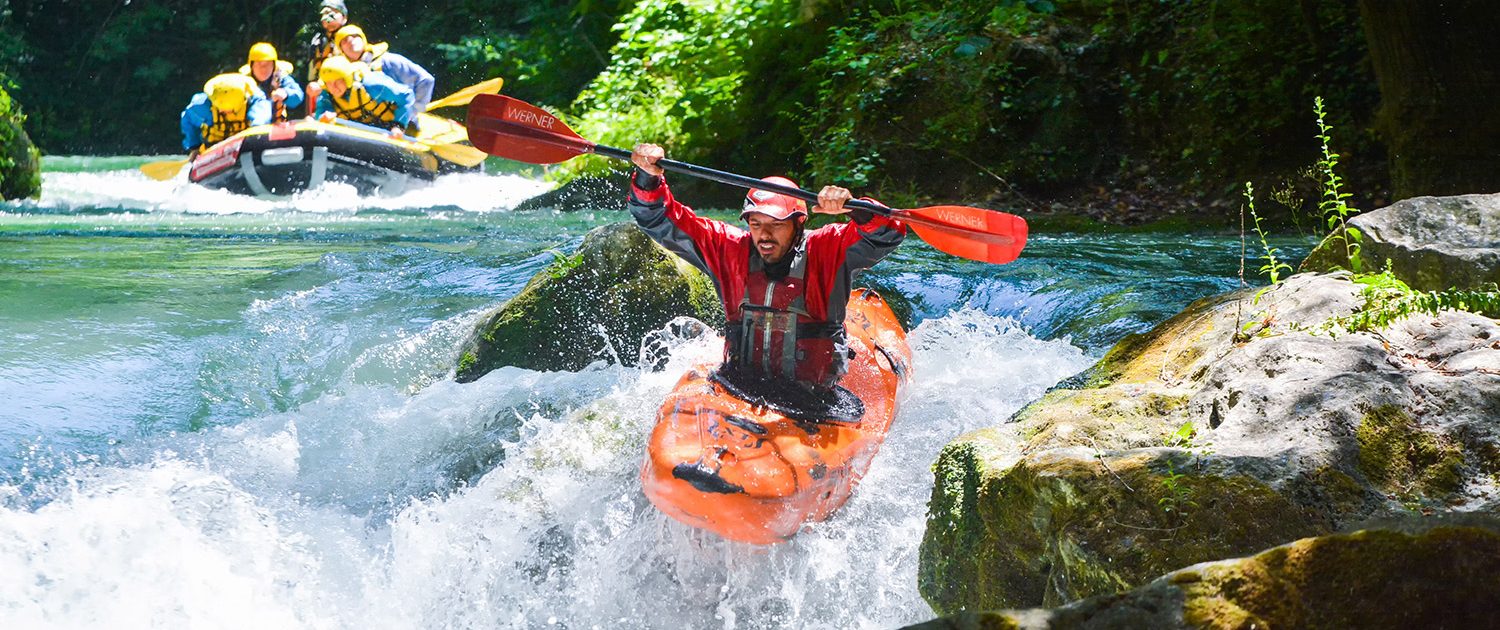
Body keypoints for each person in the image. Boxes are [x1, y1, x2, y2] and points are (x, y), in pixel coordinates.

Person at [627, 143, 907, 392]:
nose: (764, 235)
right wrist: (648, 177)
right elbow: (657, 218)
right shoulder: (729, 249)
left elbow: (887, 234)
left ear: (799, 224)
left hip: (815, 396)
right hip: (739, 387)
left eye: (776, 224)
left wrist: (857, 209)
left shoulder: (826, 249)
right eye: (756, 223)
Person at [332, 24, 435, 114]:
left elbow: (425, 80)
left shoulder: (389, 61)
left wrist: (413, 111)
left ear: (363, 40)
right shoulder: (343, 73)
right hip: (366, 123)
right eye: (344, 41)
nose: (350, 41)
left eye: (354, 36)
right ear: (342, 51)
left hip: (398, 123)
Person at [313, 56, 414, 138]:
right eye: (329, 83)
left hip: (389, 128)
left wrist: (398, 126)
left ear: (347, 78)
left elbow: (407, 95)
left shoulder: (371, 84)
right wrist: (323, 118)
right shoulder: (326, 95)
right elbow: (321, 114)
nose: (333, 87)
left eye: (337, 81)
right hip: (361, 135)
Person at [180, 73, 271, 155]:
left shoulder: (256, 102)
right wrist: (194, 147)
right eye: (220, 108)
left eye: (228, 110)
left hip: (247, 146)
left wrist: (255, 137)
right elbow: (188, 120)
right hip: (212, 148)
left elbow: (260, 122)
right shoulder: (202, 106)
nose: (221, 111)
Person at [239, 42, 304, 121]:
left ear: (274, 66)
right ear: (251, 66)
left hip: (277, 128)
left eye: (267, 64)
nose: (263, 69)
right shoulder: (243, 82)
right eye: (259, 64)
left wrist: (286, 94)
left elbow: (298, 96)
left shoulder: (281, 78)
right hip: (250, 129)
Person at [304, 0, 350, 108]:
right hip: (323, 90)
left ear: (344, 17)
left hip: (346, 88)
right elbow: (312, 73)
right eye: (325, 13)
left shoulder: (351, 37)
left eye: (334, 12)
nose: (328, 16)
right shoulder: (318, 41)